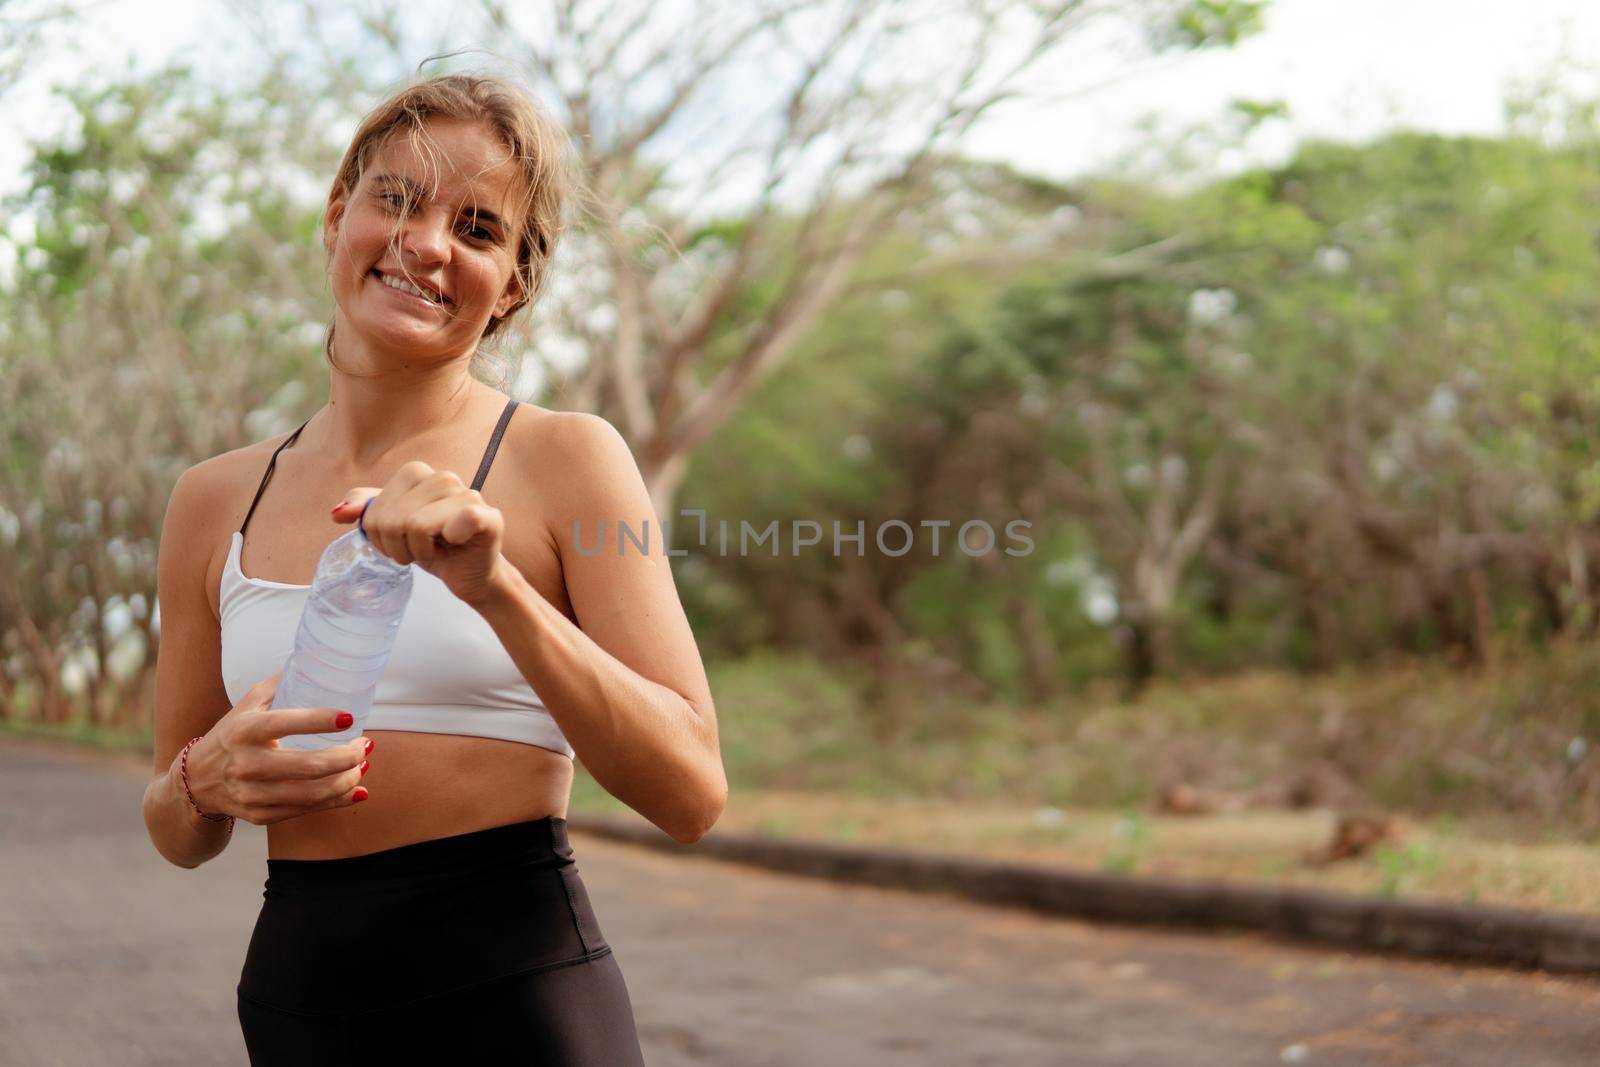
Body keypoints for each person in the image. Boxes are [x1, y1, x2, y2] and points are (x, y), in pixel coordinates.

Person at [140, 70, 727, 1065]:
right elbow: (176, 826)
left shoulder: (565, 459)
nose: (426, 244)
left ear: (515, 285)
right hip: (297, 997)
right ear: (339, 213)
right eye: (397, 199)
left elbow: (690, 792)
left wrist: (494, 588)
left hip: (516, 997)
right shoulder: (212, 498)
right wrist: (207, 775)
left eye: (478, 228)